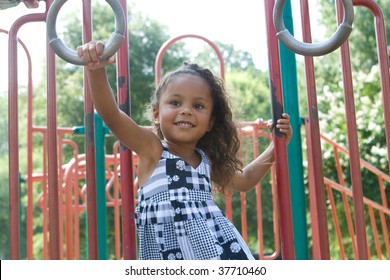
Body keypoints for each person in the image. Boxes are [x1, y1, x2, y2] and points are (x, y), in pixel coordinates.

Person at [77, 41, 292, 260]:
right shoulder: (152, 150)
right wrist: (96, 71)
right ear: (156, 114)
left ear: (210, 122)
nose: (186, 111)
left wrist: (276, 148)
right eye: (175, 102)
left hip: (217, 254)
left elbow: (244, 180)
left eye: (198, 106)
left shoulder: (205, 162)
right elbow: (112, 116)